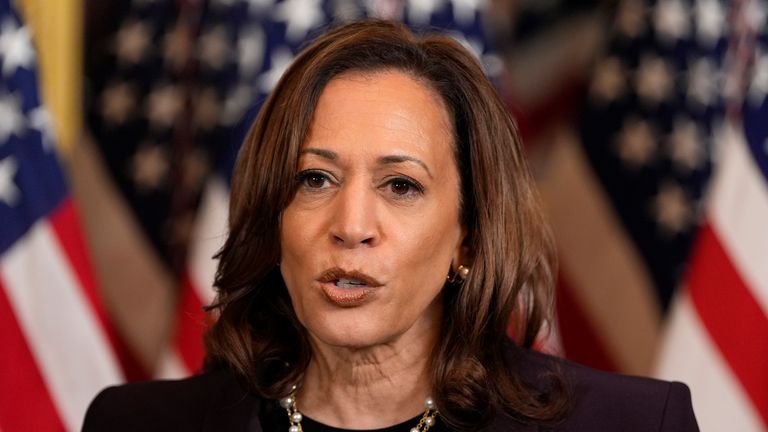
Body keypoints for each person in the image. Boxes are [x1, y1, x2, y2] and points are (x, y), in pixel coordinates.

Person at [83, 19, 699, 432]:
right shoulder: (135, 425)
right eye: (314, 179)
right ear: (273, 217)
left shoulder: (632, 424)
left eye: (400, 186)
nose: (351, 226)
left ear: (470, 235)